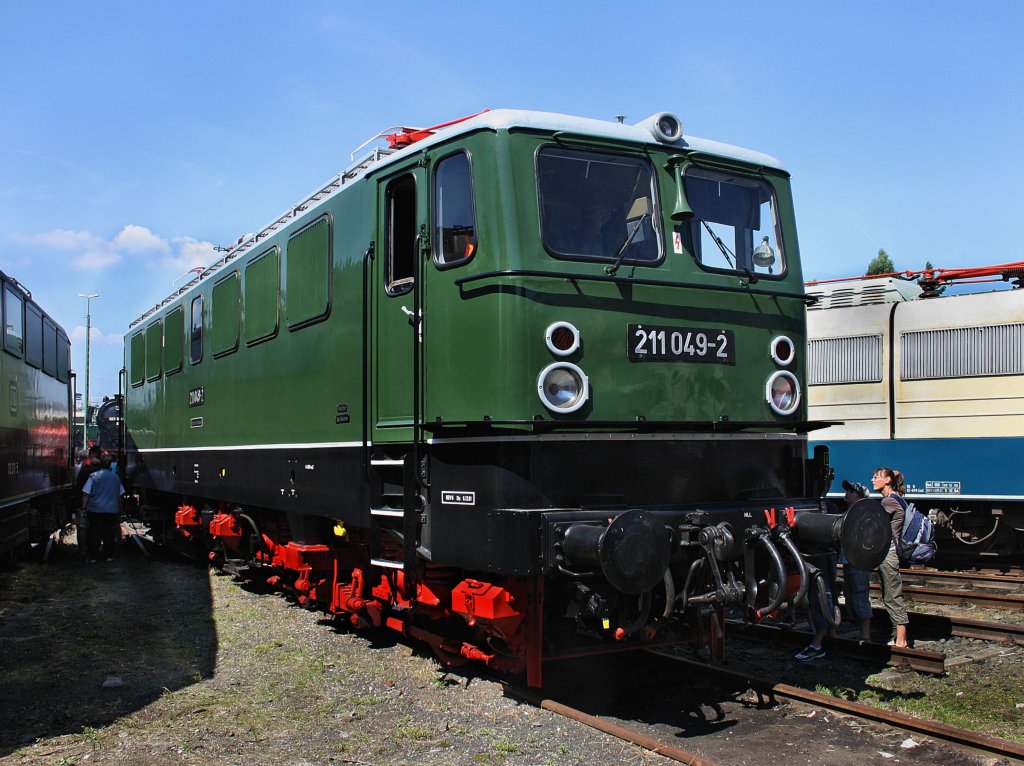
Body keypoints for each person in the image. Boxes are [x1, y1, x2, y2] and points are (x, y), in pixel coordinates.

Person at [872, 466, 910, 647]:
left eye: (876, 477)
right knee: (891, 595)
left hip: (889, 553)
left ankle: (901, 640)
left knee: (892, 596)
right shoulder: (897, 498)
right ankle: (899, 638)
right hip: (890, 553)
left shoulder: (888, 502)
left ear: (887, 480)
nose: (873, 480)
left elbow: (873, 523)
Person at [840, 480, 873, 644]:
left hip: (857, 560)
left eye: (851, 491)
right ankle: (862, 633)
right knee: (852, 594)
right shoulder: (851, 511)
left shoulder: (861, 513)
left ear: (858, 495)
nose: (847, 493)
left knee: (859, 594)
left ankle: (865, 635)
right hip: (849, 560)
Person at [81, 454, 125, 563]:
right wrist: (120, 508)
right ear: (110, 466)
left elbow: (85, 493)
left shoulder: (93, 476)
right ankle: (109, 555)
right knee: (109, 533)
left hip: (95, 509)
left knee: (94, 533)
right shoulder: (116, 478)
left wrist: (84, 507)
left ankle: (93, 557)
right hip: (111, 510)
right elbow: (120, 495)